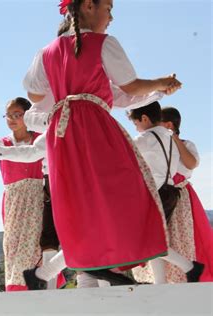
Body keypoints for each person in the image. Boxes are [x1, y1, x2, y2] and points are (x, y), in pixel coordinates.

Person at [20, 0, 204, 290]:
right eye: (108, 7)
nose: (111, 16)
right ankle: (96, 267)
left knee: (81, 205)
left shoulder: (46, 52)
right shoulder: (104, 43)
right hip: (94, 130)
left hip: (63, 136)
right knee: (124, 193)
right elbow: (128, 89)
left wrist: (62, 101)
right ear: (89, 6)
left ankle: (74, 272)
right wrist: (160, 83)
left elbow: (33, 91)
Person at [128, 102, 204, 284]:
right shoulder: (170, 140)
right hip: (168, 192)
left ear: (145, 119)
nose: (136, 128)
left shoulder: (147, 138)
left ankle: (186, 268)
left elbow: (123, 149)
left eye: (136, 123)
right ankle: (166, 279)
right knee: (154, 237)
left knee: (151, 238)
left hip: (156, 194)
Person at [0, 97, 44, 291]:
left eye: (17, 115)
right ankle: (16, 286)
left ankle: (34, 283)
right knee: (13, 244)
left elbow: (29, 154)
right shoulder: (2, 142)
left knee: (34, 244)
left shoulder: (39, 140)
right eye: (8, 115)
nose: (12, 119)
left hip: (36, 197)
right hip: (13, 200)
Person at [159, 107, 213, 282]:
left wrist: (173, 138)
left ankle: (190, 275)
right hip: (161, 195)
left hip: (182, 197)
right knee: (164, 238)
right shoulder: (155, 145)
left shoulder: (186, 144)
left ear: (169, 125)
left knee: (187, 238)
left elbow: (190, 164)